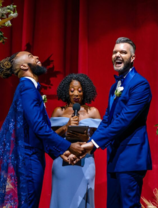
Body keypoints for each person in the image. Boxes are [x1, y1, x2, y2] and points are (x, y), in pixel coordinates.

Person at [0, 51, 84, 208]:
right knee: (28, 203)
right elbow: (39, 127)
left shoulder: (27, 89)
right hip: (29, 160)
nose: (37, 57)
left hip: (28, 157)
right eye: (31, 56)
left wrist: (60, 152)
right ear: (24, 66)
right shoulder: (28, 89)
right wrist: (68, 146)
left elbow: (33, 131)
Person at [79, 37, 152, 207]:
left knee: (129, 205)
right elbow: (107, 119)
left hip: (131, 157)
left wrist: (95, 144)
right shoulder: (115, 87)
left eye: (123, 52)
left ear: (132, 58)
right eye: (115, 52)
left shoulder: (140, 85)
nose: (117, 55)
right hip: (114, 157)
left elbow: (124, 120)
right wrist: (89, 143)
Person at [49, 74, 101, 208]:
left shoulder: (93, 112)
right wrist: (66, 127)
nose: (76, 93)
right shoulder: (58, 112)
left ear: (85, 91)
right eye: (72, 90)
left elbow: (100, 138)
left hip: (85, 162)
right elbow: (49, 138)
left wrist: (84, 147)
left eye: (79, 90)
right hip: (63, 161)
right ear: (67, 91)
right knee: (63, 200)